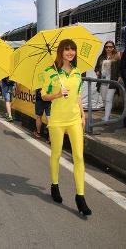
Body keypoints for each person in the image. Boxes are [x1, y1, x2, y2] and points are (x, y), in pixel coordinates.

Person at [41, 39, 91, 216]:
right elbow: (44, 96)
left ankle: (80, 197)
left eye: (73, 50)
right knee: (56, 154)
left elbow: (77, 95)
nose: (70, 52)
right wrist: (56, 94)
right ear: (60, 51)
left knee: (78, 156)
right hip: (56, 120)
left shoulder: (77, 72)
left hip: (74, 119)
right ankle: (55, 185)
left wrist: (82, 113)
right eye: (67, 49)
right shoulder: (50, 71)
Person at [95, 41, 121, 121]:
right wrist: (97, 71)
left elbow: (121, 68)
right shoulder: (101, 56)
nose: (108, 48)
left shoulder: (117, 56)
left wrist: (119, 77)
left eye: (110, 47)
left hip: (112, 80)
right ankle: (107, 115)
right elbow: (96, 67)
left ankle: (106, 117)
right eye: (106, 47)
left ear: (113, 47)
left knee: (109, 99)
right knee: (104, 99)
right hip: (102, 80)